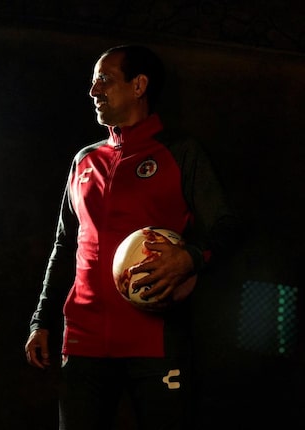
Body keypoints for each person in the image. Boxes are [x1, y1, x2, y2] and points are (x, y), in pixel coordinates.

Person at [25, 44, 241, 430]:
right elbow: (64, 246)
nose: (94, 91)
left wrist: (189, 257)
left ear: (139, 85)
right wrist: (41, 321)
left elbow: (228, 226)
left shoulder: (181, 152)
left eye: (105, 80)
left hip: (156, 341)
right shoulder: (84, 160)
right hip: (84, 341)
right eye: (93, 82)